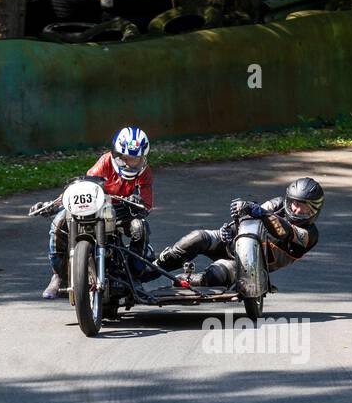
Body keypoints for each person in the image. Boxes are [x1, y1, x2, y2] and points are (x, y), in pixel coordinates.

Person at [44, 125, 154, 298]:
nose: (129, 162)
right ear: (116, 154)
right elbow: (84, 186)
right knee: (58, 222)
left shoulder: (145, 172)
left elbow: (146, 205)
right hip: (98, 206)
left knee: (140, 227)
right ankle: (59, 275)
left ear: (143, 158)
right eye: (125, 157)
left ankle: (135, 277)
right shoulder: (105, 162)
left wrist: (137, 202)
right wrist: (54, 204)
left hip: (124, 209)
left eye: (135, 159)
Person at [154, 177, 324, 287]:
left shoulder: (310, 235)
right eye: (294, 202)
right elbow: (253, 213)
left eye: (302, 206)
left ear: (314, 209)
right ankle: (151, 269)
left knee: (216, 275)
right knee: (197, 238)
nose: (295, 208)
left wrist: (260, 212)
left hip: (250, 265)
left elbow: (282, 231)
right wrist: (231, 227)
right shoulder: (278, 204)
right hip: (234, 242)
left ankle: (187, 280)